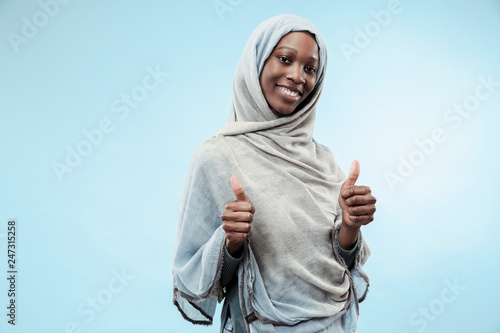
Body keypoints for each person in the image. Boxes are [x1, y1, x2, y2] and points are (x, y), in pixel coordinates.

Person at [172, 14, 376, 333]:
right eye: (285, 59)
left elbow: (343, 262)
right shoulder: (214, 158)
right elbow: (195, 276)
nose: (298, 76)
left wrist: (350, 226)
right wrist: (230, 242)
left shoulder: (323, 160)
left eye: (310, 68)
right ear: (258, 62)